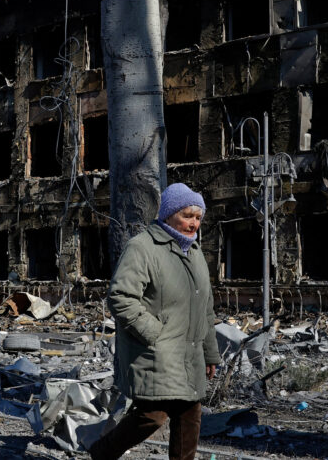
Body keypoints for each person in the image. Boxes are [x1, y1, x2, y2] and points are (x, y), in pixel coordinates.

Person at [89, 183, 220, 460]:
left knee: (190, 416)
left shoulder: (195, 253)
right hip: (156, 353)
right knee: (152, 416)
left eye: (198, 217)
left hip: (189, 355)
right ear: (169, 214)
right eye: (187, 215)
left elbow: (205, 308)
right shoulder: (143, 247)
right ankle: (102, 452)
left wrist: (210, 353)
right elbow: (121, 297)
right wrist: (153, 333)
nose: (193, 223)